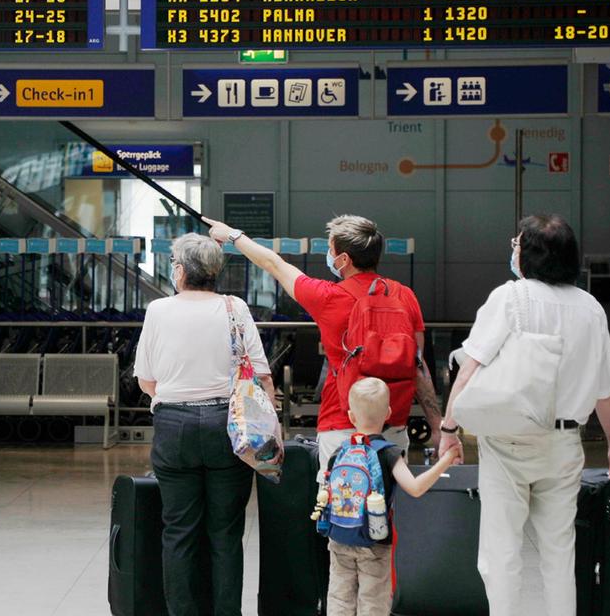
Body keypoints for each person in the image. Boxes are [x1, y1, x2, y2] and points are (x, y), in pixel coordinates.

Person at [440, 214, 610, 616]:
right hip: (563, 445)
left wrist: (449, 427)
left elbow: (470, 366)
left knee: (501, 552)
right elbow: (604, 392)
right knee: (559, 553)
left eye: (517, 245)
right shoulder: (591, 308)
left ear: (530, 254)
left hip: (508, 441)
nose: (513, 251)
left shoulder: (511, 297)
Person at [204, 215, 443, 477]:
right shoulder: (404, 295)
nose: (328, 256)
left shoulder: (328, 296)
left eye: (330, 250)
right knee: (386, 508)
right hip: (393, 425)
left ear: (343, 260)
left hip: (341, 425)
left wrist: (232, 235)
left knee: (338, 510)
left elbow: (273, 264)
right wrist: (437, 427)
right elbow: (418, 367)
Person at [135, 233, 274, 616]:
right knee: (226, 533)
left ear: (180, 270)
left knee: (178, 531)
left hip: (174, 426)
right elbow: (262, 376)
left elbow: (147, 381)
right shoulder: (235, 308)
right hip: (228, 427)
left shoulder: (158, 310)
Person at [326, 378, 461, 616]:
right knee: (373, 602)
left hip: (339, 538)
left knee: (339, 599)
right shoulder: (389, 453)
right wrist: (446, 460)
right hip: (374, 541)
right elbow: (416, 488)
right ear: (388, 413)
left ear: (351, 416)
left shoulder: (340, 452)